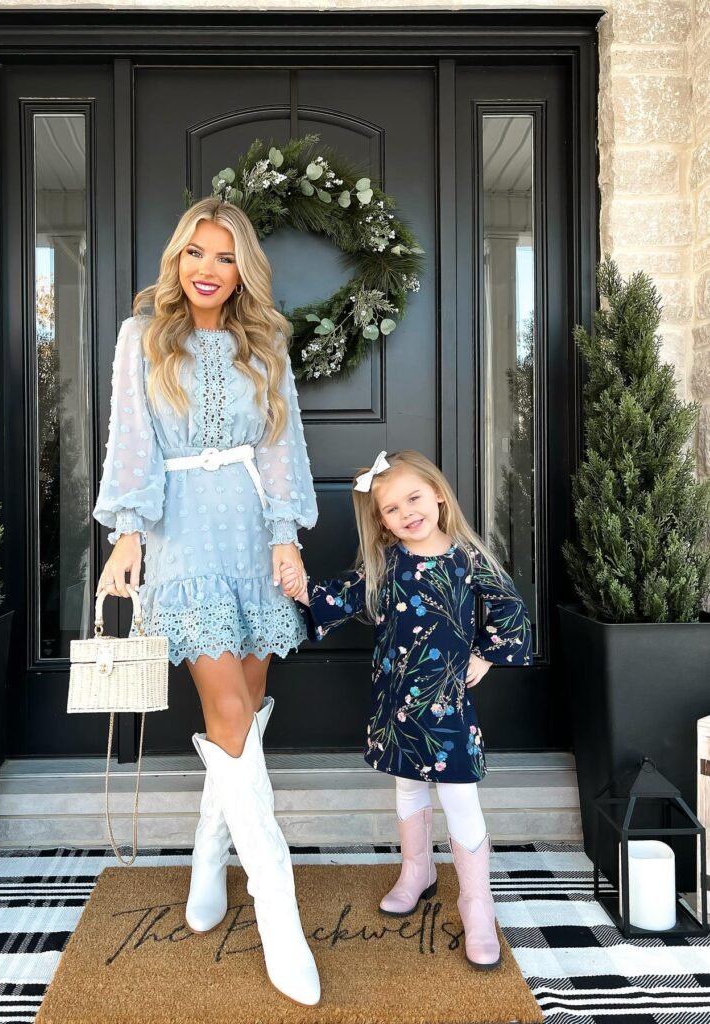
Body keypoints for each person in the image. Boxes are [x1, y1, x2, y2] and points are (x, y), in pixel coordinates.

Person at [92, 197, 320, 1006]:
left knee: (248, 710)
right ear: (177, 257)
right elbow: (130, 440)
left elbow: (281, 446)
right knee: (227, 713)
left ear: (241, 268)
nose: (207, 269)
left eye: (224, 257)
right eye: (196, 252)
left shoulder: (267, 343)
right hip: (183, 537)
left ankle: (205, 860)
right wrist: (128, 533)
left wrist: (286, 538)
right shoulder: (141, 337)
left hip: (253, 538)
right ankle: (280, 914)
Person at [279, 449, 532, 970]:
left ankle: (476, 904)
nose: (406, 513)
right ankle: (416, 869)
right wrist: (303, 589)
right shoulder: (389, 563)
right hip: (397, 700)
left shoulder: (468, 558)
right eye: (391, 509)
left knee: (460, 796)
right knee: (407, 784)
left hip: (448, 702)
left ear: (438, 494)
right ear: (382, 521)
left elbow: (510, 610)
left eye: (414, 498)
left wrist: (486, 652)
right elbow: (343, 596)